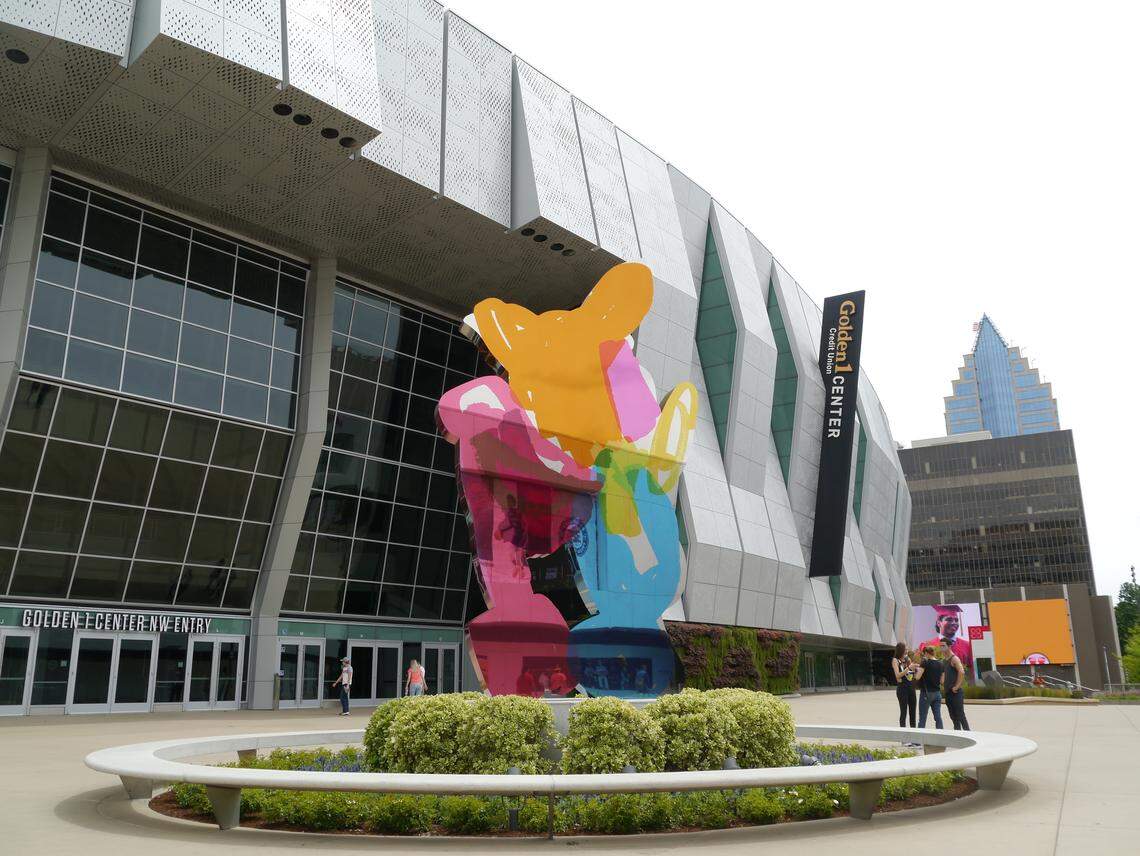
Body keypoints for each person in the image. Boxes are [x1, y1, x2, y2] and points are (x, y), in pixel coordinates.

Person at [921, 604, 974, 671]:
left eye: (956, 620)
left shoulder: (967, 646)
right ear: (938, 623)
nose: (954, 623)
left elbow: (973, 671)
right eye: (949, 619)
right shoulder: (927, 646)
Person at [941, 641, 971, 731]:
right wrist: (943, 682)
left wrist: (957, 686)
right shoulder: (944, 660)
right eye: (940, 646)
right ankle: (958, 735)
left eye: (943, 646)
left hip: (956, 693)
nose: (941, 648)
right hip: (948, 692)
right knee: (953, 716)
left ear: (949, 646)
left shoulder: (954, 659)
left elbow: (961, 672)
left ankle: (968, 734)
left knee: (960, 715)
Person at [914, 645, 945, 730]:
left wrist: (917, 670)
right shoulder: (941, 663)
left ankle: (918, 741)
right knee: (938, 717)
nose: (924, 656)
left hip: (926, 693)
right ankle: (941, 738)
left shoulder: (925, 662)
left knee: (922, 718)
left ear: (927, 653)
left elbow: (917, 677)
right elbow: (942, 681)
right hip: (937, 694)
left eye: (924, 654)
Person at [892, 642, 917, 728]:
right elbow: (898, 675)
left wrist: (914, 668)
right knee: (904, 712)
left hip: (911, 688)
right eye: (905, 649)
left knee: (913, 712)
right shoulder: (895, 660)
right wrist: (908, 668)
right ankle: (904, 737)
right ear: (900, 650)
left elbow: (911, 673)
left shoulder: (907, 659)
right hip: (902, 689)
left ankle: (914, 735)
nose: (907, 650)